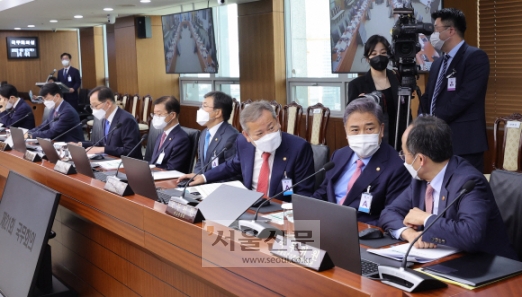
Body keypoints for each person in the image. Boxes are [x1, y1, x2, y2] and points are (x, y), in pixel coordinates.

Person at [379, 116, 517, 260]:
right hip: (441, 261)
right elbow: (389, 212)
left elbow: (471, 236)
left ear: (420, 160)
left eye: (404, 154)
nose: (404, 160)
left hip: (488, 267)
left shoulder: (469, 182)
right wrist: (408, 233)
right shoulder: (420, 180)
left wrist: (426, 219)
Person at [179, 101, 315, 202]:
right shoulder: (242, 143)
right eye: (259, 133)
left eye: (271, 127)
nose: (268, 135)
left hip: (281, 211)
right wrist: (203, 177)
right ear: (247, 136)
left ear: (278, 121)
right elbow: (233, 165)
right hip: (249, 206)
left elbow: (305, 192)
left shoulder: (298, 147)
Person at [312, 98, 410, 225]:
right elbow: (323, 192)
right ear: (346, 132)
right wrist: (305, 211)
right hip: (326, 223)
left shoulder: (397, 167)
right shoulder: (339, 155)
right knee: (285, 241)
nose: (362, 135)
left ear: (381, 129)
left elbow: (392, 215)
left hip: (360, 233)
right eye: (355, 130)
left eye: (369, 129)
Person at [419, 8, 489, 173]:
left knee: (466, 192)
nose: (433, 35)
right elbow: (429, 96)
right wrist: (422, 120)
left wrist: (433, 121)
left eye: (436, 29)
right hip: (436, 143)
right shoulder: (437, 63)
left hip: (464, 143)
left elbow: (466, 97)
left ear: (450, 31)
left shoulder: (475, 57)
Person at [348, 35, 410, 150]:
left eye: (383, 53)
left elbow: (406, 110)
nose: (379, 57)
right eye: (374, 54)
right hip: (372, 141)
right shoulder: (356, 85)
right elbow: (351, 117)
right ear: (367, 58)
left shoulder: (397, 78)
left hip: (399, 138)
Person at [81, 86, 142, 159]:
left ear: (108, 104)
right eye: (92, 106)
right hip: (110, 161)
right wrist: (81, 144)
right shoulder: (104, 117)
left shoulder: (127, 120)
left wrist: (103, 149)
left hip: (127, 165)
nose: (93, 110)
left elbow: (130, 150)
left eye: (95, 106)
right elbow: (103, 143)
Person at [193, 91, 239, 174]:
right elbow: (201, 162)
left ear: (217, 113)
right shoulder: (204, 133)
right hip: (202, 183)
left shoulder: (232, 136)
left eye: (205, 106)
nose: (200, 110)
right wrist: (194, 176)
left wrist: (204, 179)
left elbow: (232, 170)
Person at [149, 96, 191, 173]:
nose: (155, 117)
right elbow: (154, 161)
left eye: (159, 114)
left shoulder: (181, 139)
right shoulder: (161, 135)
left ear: (172, 115)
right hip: (153, 175)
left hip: (167, 179)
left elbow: (172, 168)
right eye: (154, 114)